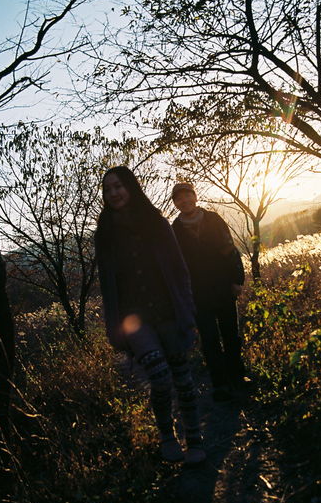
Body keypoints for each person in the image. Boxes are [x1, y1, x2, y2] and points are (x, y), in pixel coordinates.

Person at [95, 166, 206, 465]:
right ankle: (168, 436)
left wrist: (188, 312)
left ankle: (194, 438)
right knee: (160, 377)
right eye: (108, 189)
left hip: (169, 311)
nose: (114, 193)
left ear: (131, 187)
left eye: (118, 186)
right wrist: (113, 328)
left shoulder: (156, 223)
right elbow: (107, 286)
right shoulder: (104, 234)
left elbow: (179, 270)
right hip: (134, 320)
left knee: (183, 378)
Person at [171, 182, 247, 401]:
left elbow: (230, 249)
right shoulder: (175, 230)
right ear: (175, 204)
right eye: (179, 198)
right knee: (210, 339)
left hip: (223, 286)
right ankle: (220, 384)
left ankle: (237, 376)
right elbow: (176, 266)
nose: (184, 201)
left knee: (231, 334)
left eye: (188, 196)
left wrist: (236, 280)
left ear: (195, 197)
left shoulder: (213, 219)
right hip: (197, 294)